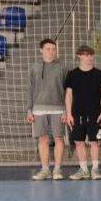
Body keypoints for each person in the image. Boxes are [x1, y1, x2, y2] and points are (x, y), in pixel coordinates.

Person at [27, 38, 68, 180]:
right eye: (48, 49)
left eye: (53, 49)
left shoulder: (63, 67)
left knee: (59, 139)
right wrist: (29, 109)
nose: (51, 52)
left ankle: (57, 170)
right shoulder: (34, 67)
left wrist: (66, 110)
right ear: (41, 50)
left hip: (58, 108)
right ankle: (45, 170)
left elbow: (67, 91)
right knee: (43, 139)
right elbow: (30, 89)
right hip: (38, 109)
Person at [62, 45, 101, 180]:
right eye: (86, 55)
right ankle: (84, 169)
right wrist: (69, 113)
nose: (89, 58)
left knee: (94, 142)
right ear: (79, 56)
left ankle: (95, 169)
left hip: (94, 113)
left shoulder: (100, 74)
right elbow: (68, 95)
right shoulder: (72, 74)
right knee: (79, 142)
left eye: (91, 55)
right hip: (77, 114)